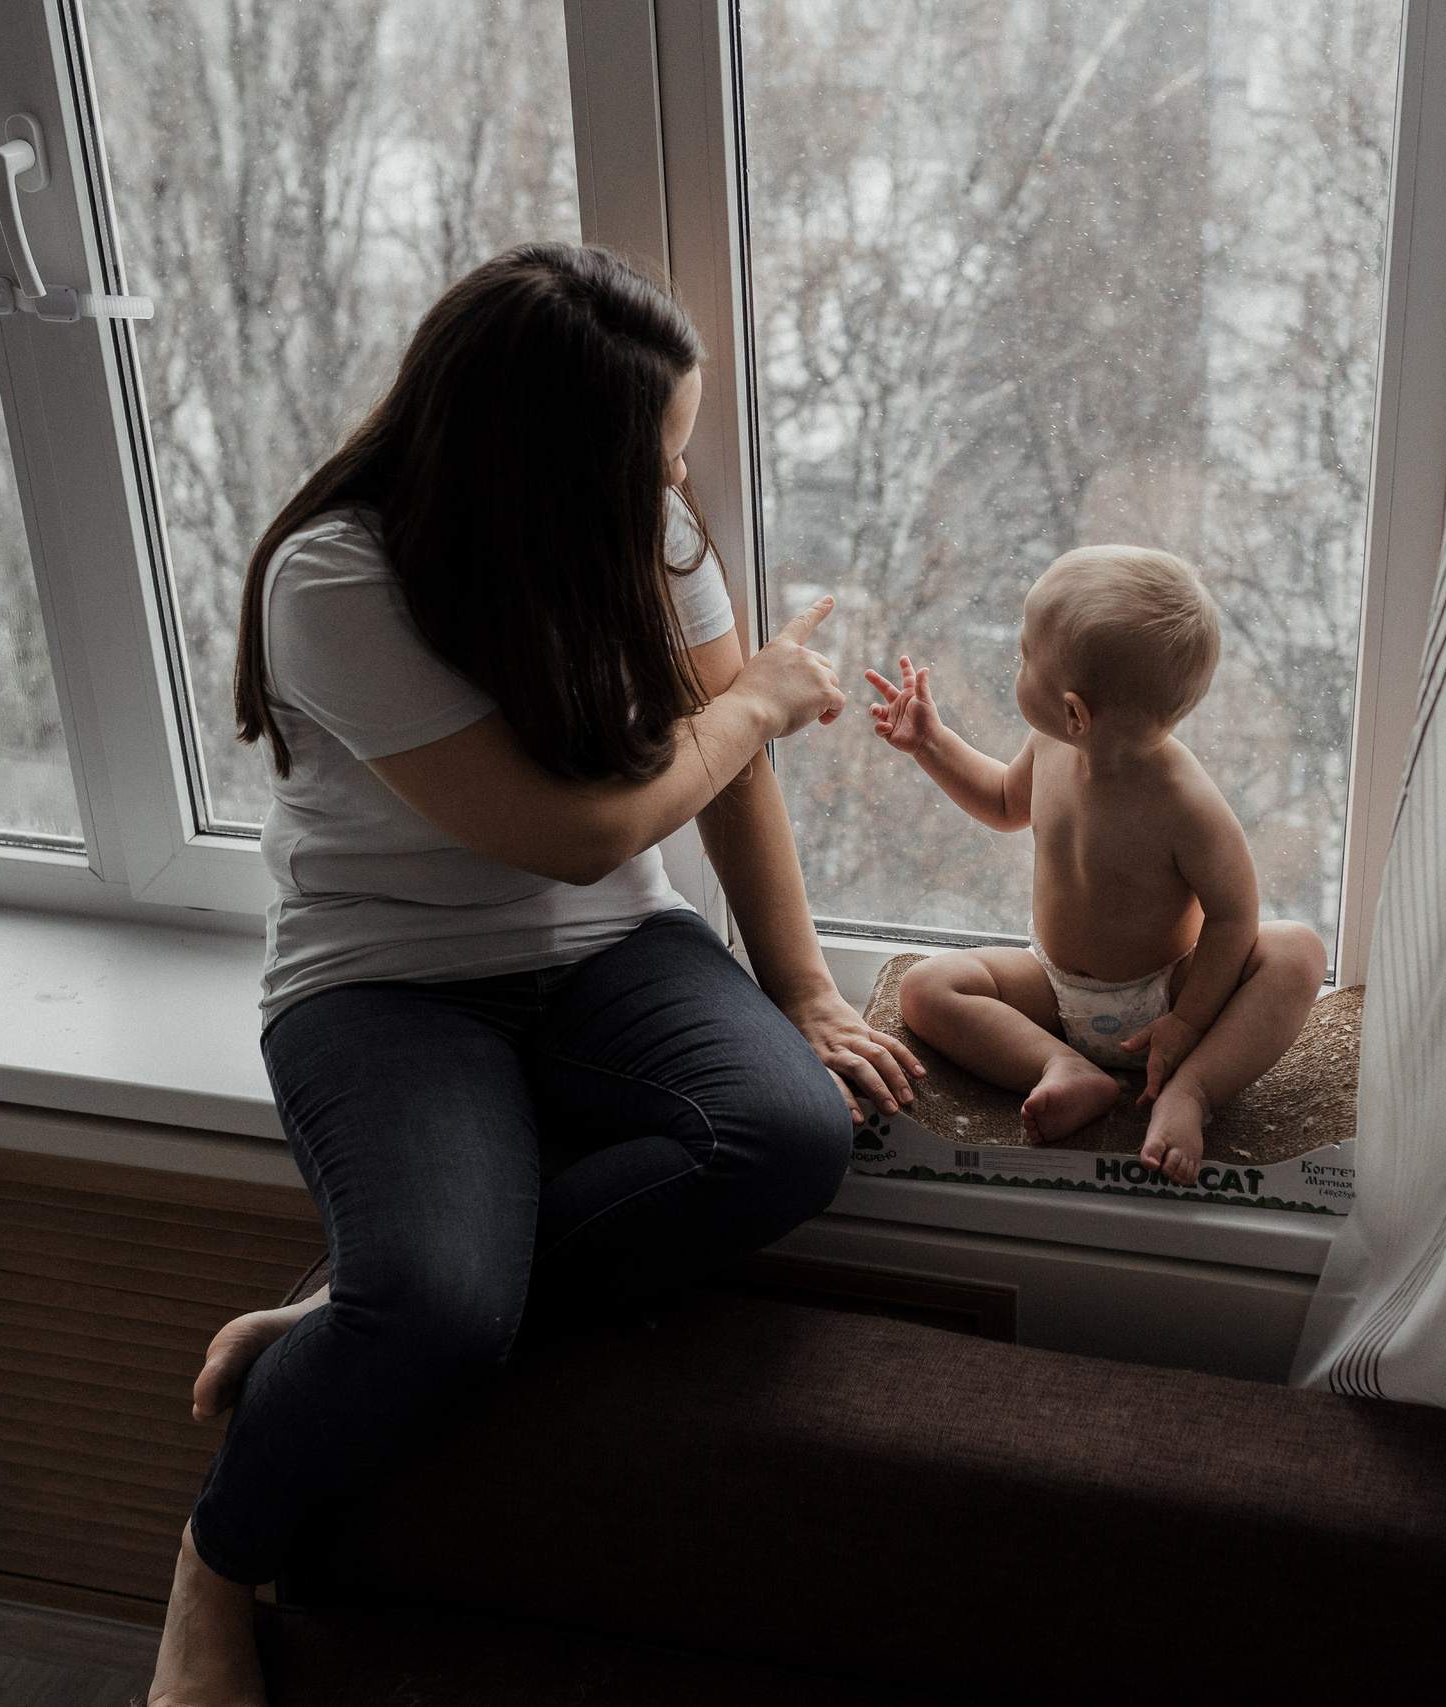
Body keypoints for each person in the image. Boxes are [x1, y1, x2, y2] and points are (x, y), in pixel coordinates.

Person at [148, 244, 921, 1707]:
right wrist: (756, 697)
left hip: (617, 949)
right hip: (386, 978)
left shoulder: (652, 538)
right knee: (438, 1309)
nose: (675, 489)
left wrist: (804, 983)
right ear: (538, 460)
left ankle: (340, 1322)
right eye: (655, 454)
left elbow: (719, 780)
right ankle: (215, 1551)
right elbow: (572, 833)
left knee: (790, 1133)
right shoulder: (340, 575)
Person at [865, 545, 1327, 1186]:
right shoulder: (1050, 745)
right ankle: (1062, 1067)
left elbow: (1234, 915)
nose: (1015, 661)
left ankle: (1190, 1092)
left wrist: (1187, 1021)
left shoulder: (1187, 805)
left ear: (1076, 711)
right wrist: (932, 744)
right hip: (1053, 993)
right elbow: (1003, 802)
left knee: (1298, 951)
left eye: (1026, 656)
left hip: (1167, 993)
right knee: (927, 987)